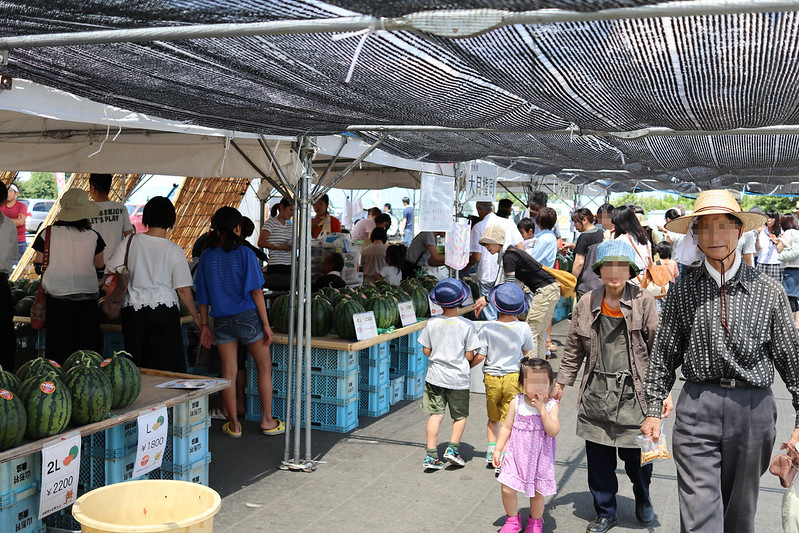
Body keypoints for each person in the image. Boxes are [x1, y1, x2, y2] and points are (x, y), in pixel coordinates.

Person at [641, 189, 799, 533]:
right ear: (695, 236)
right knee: (700, 516)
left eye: (722, 227)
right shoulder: (683, 289)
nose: (713, 237)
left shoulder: (768, 291)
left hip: (754, 411)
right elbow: (664, 353)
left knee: (740, 514)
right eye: (704, 228)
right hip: (698, 406)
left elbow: (792, 359)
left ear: (739, 232)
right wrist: (653, 409)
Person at [554, 239, 670, 533]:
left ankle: (643, 497)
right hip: (597, 392)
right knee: (599, 463)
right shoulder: (587, 302)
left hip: (636, 394)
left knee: (638, 459)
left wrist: (664, 392)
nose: (614, 272)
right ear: (600, 270)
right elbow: (573, 348)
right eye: (608, 266)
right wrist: (562, 382)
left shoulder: (644, 301)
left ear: (630, 269)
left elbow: (658, 350)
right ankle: (605, 511)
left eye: (621, 265)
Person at [195, 206, 283, 438]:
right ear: (237, 228)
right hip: (248, 319)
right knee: (264, 369)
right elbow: (256, 292)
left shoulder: (206, 256)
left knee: (228, 374)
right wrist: (266, 324)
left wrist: (204, 326)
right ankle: (267, 421)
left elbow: (202, 296)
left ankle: (234, 424)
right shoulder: (245, 254)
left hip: (221, 321)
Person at [107, 196, 200, 373]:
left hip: (133, 312)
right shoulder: (173, 249)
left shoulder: (130, 242)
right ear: (171, 221)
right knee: (166, 365)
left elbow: (112, 268)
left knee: (137, 365)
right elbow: (183, 289)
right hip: (164, 311)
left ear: (147, 218)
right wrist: (195, 317)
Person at [32, 189, 104, 364]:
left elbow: (38, 265)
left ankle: (58, 387)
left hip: (57, 303)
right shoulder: (93, 236)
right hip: (88, 303)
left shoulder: (46, 233)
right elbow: (100, 268)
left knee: (58, 356)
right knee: (86, 356)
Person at [419, 278, 481, 470]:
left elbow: (426, 351)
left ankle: (431, 455)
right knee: (460, 416)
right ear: (461, 300)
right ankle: (452, 450)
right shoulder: (467, 325)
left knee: (435, 415)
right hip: (458, 378)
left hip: (435, 376)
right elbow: (470, 354)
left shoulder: (432, 323)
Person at [494, 357, 560, 533]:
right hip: (516, 454)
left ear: (550, 383)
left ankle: (535, 522)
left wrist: (542, 410)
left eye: (543, 383)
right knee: (507, 488)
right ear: (523, 385)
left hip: (540, 458)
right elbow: (506, 427)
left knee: (538, 493)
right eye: (533, 383)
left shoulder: (552, 406)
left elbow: (553, 431)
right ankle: (512, 520)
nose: (538, 388)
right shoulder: (517, 402)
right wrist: (498, 449)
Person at [474, 225, 559, 360]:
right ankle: (540, 368)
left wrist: (487, 298)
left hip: (544, 291)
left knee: (532, 332)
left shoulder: (509, 256)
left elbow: (508, 287)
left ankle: (531, 371)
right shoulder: (512, 252)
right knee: (539, 332)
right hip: (551, 289)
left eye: (487, 244)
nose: (486, 247)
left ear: (497, 242)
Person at [473, 283, 534, 471]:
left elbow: (481, 356)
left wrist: (465, 365)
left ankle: (491, 453)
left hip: (491, 377)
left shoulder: (486, 328)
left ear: (494, 305)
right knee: (510, 420)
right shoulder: (524, 328)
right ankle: (504, 455)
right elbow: (526, 353)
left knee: (493, 418)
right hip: (514, 377)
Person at [467, 201, 524, 320]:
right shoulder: (509, 223)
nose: (487, 248)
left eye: (487, 245)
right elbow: (521, 248)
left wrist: (465, 268)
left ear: (479, 210)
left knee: (492, 317)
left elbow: (477, 256)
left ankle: (494, 335)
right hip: (507, 279)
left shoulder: (479, 226)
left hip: (488, 275)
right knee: (506, 313)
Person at [88, 173, 133, 261]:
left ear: (92, 188)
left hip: (93, 264)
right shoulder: (121, 208)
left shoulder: (85, 210)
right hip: (115, 264)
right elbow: (128, 237)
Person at [258, 197, 294, 289]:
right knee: (276, 295)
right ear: (282, 208)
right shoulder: (271, 222)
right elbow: (261, 243)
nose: (292, 213)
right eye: (291, 210)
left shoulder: (290, 226)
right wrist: (279, 248)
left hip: (290, 265)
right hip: (276, 265)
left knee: (287, 295)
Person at [0, 182, 17, 369]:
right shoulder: (9, 226)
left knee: (4, 330)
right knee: (4, 329)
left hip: (1, 282)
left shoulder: (9, 226)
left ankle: (6, 371)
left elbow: (12, 256)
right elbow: (12, 257)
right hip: (1, 282)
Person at [571, 208, 604, 298]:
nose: (574, 225)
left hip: (586, 287)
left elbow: (579, 263)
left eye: (575, 222)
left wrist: (572, 282)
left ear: (584, 220)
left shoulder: (584, 237)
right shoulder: (602, 234)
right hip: (601, 284)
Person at [612, 205, 651, 275]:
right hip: (646, 276)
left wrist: (606, 239)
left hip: (631, 278)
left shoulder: (622, 240)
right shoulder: (644, 238)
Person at [779, 214, 799, 330]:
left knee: (790, 297)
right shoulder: (797, 232)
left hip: (791, 268)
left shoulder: (788, 232)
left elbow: (779, 249)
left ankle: (790, 326)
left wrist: (778, 243)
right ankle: (796, 325)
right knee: (795, 298)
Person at [756, 210, 783, 282]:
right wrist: (757, 236)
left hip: (775, 263)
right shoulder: (762, 230)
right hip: (762, 262)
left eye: (772, 218)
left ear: (776, 219)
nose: (769, 220)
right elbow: (757, 248)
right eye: (768, 217)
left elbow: (780, 250)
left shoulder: (781, 231)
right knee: (760, 287)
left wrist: (777, 241)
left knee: (775, 288)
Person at [1, 184, 26, 260]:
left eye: (10, 191)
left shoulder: (21, 206)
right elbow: (17, 221)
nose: (8, 193)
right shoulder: (1, 205)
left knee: (18, 266)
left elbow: (20, 222)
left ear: (16, 193)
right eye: (6, 191)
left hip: (19, 241)